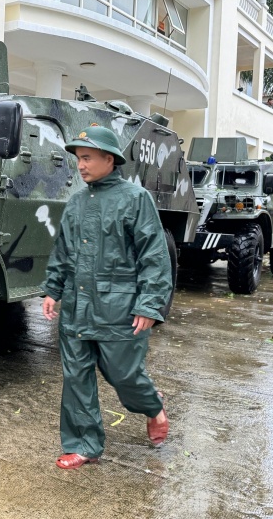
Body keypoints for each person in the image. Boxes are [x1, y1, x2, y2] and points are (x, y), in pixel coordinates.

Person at [41, 125, 173, 470]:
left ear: (109, 159)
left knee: (124, 374)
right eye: (78, 159)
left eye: (86, 158)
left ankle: (152, 406)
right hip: (76, 308)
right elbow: (63, 252)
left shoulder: (135, 199)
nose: (80, 165)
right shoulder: (76, 203)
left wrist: (149, 303)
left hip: (119, 308)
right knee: (76, 378)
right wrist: (53, 290)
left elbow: (154, 256)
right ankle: (84, 444)